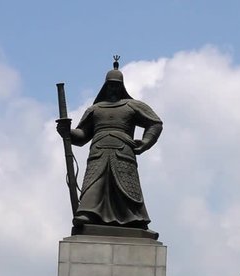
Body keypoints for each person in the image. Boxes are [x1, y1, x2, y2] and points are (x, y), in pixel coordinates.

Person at [57, 58, 163, 230]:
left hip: (123, 152)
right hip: (98, 152)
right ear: (105, 86)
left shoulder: (132, 106)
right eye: (110, 85)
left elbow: (155, 123)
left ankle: (135, 219)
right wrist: (67, 131)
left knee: (127, 187)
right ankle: (88, 213)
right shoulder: (95, 109)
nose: (113, 88)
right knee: (94, 183)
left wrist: (145, 142)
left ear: (122, 86)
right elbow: (82, 135)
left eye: (116, 85)